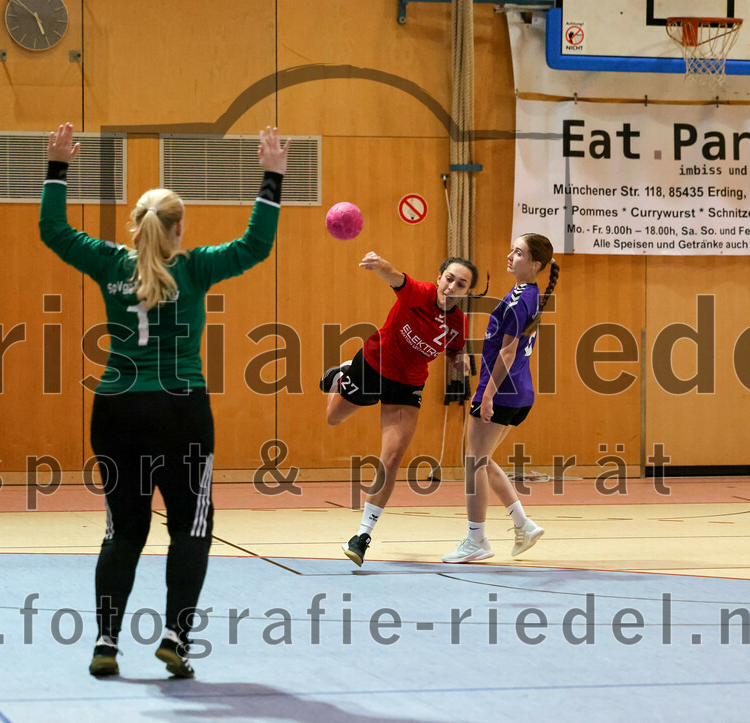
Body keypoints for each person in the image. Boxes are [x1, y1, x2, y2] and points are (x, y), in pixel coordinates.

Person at [40, 122, 290, 678]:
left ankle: (106, 643)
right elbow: (255, 244)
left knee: (123, 529)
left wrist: (57, 168)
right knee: (190, 525)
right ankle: (175, 638)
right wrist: (271, 177)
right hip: (180, 409)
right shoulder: (196, 268)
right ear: (178, 228)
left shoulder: (109, 263)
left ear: (136, 225)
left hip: (116, 409)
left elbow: (53, 230)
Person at [320, 252, 477, 566]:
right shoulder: (420, 294)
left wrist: (461, 361)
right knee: (333, 418)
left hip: (408, 384)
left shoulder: (459, 322)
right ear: (439, 277)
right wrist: (381, 267)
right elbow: (397, 277)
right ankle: (342, 375)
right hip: (374, 365)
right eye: (449, 278)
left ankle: (362, 535)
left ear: (467, 292)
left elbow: (454, 352)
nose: (452, 286)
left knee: (391, 458)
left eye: (461, 284)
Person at [442, 233, 560, 564]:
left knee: (474, 462)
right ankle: (523, 524)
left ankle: (476, 539)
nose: (510, 256)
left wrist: (489, 394)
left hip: (501, 389)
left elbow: (507, 353)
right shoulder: (528, 294)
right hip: (518, 390)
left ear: (534, 264)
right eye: (512, 250)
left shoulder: (520, 300)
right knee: (482, 458)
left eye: (518, 253)